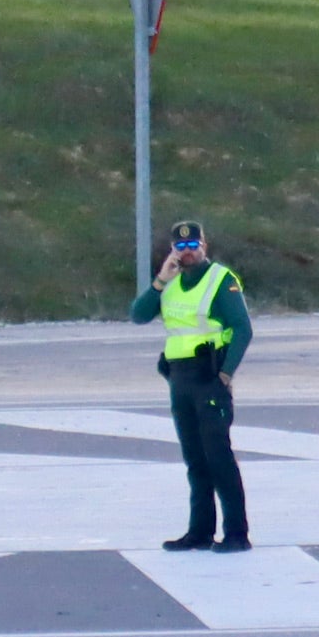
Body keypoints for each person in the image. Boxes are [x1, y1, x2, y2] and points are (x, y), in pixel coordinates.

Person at [130, 220, 253, 552]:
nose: (187, 252)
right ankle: (199, 531)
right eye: (181, 247)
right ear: (173, 250)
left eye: (193, 246)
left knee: (218, 458)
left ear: (204, 246)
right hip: (180, 378)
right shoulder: (170, 282)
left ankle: (237, 534)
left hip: (209, 375)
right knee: (195, 460)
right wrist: (160, 280)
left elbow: (243, 329)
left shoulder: (220, 279)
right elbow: (138, 315)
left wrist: (225, 375)